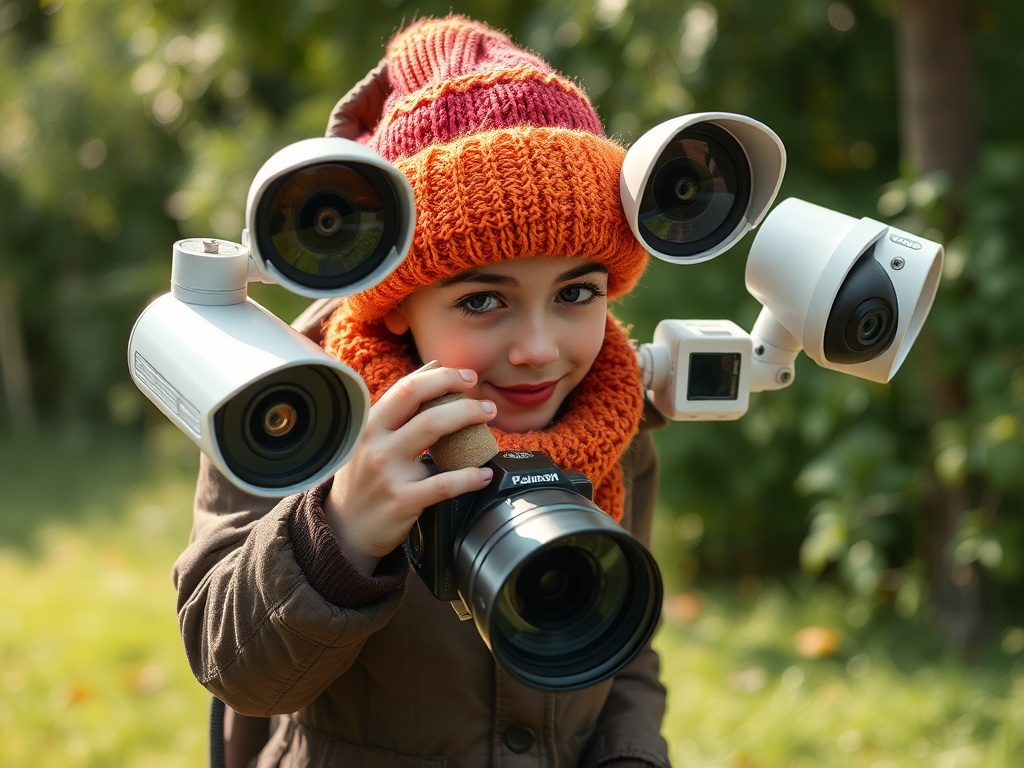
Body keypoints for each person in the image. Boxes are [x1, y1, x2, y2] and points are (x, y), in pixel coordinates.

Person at [174, 14, 671, 768]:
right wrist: (336, 533)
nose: (539, 350)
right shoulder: (291, 409)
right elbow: (231, 667)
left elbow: (625, 642)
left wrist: (630, 755)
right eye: (482, 300)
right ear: (396, 299)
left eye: (577, 292)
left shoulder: (615, 418)